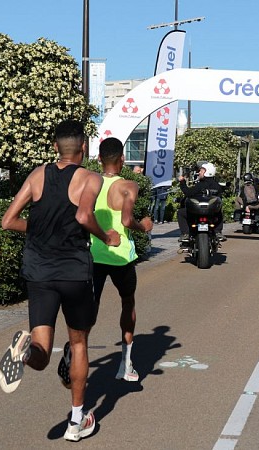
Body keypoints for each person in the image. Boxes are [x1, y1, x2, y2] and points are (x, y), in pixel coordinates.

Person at [0, 120, 120, 442]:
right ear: (84, 148)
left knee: (42, 351)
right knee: (78, 343)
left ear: (55, 147)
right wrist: (105, 235)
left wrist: (40, 231)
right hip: (74, 272)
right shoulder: (90, 178)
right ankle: (76, 422)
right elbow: (83, 216)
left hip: (39, 272)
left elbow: (8, 221)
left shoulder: (37, 175)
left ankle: (24, 352)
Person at [90, 137, 154, 383]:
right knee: (128, 303)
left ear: (98, 159)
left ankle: (76, 352)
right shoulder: (129, 185)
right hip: (121, 257)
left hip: (94, 254)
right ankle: (125, 364)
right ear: (123, 159)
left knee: (90, 308)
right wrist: (144, 226)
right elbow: (127, 221)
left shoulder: (89, 184)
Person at [177, 162, 225, 241]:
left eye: (201, 171)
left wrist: (182, 182)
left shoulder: (201, 184)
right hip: (212, 214)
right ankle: (218, 232)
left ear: (207, 172)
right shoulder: (216, 185)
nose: (199, 172)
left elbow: (189, 193)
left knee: (181, 213)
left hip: (197, 212)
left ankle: (185, 234)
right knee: (219, 211)